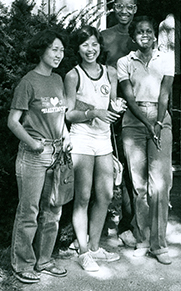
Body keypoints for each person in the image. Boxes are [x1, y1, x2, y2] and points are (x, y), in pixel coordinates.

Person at [8, 29, 69, 285]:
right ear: (42, 50)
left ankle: (44, 261)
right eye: (54, 49)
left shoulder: (58, 80)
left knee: (53, 211)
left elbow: (60, 114)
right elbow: (12, 121)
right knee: (29, 211)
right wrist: (33, 144)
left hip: (57, 153)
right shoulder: (28, 82)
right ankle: (22, 264)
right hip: (34, 155)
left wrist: (66, 136)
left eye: (62, 50)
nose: (58, 54)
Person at [65, 26, 124, 272]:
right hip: (82, 139)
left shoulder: (110, 72)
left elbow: (112, 104)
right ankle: (83, 251)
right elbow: (69, 113)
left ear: (100, 46)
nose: (90, 49)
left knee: (106, 196)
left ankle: (95, 246)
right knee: (83, 197)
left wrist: (117, 106)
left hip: (103, 140)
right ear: (78, 49)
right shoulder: (73, 75)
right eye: (85, 45)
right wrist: (93, 112)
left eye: (94, 44)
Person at [117, 16, 174, 265]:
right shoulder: (124, 62)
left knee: (159, 185)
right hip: (133, 120)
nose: (144, 35)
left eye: (148, 31)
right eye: (139, 31)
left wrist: (158, 123)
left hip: (160, 120)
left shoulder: (166, 59)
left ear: (154, 35)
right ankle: (142, 239)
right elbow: (129, 98)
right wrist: (146, 123)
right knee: (139, 186)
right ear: (133, 36)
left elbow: (164, 94)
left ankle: (159, 245)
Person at [101, 0, 138, 248]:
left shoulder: (142, 36)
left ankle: (128, 225)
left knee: (130, 170)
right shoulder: (104, 37)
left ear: (135, 9)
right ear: (114, 7)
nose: (124, 11)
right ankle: (100, 224)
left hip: (133, 112)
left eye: (130, 7)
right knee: (104, 167)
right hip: (105, 110)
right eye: (120, 6)